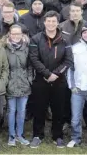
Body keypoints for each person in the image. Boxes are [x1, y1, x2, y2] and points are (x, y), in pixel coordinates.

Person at [28, 11, 73, 149]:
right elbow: (34, 59)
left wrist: (56, 74)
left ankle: (57, 135)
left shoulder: (65, 39)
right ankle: (37, 135)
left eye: (54, 21)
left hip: (59, 81)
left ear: (57, 23)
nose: (51, 24)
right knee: (39, 109)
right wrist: (47, 74)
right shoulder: (36, 39)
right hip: (41, 80)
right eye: (49, 21)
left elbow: (68, 60)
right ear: (44, 22)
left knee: (58, 110)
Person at [4, 24, 33, 147]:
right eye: (13, 33)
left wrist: (29, 79)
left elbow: (30, 66)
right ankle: (11, 135)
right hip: (10, 83)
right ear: (10, 34)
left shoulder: (27, 47)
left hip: (24, 83)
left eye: (18, 34)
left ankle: (19, 134)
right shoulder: (4, 48)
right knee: (11, 111)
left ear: (22, 35)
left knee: (21, 111)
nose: (16, 36)